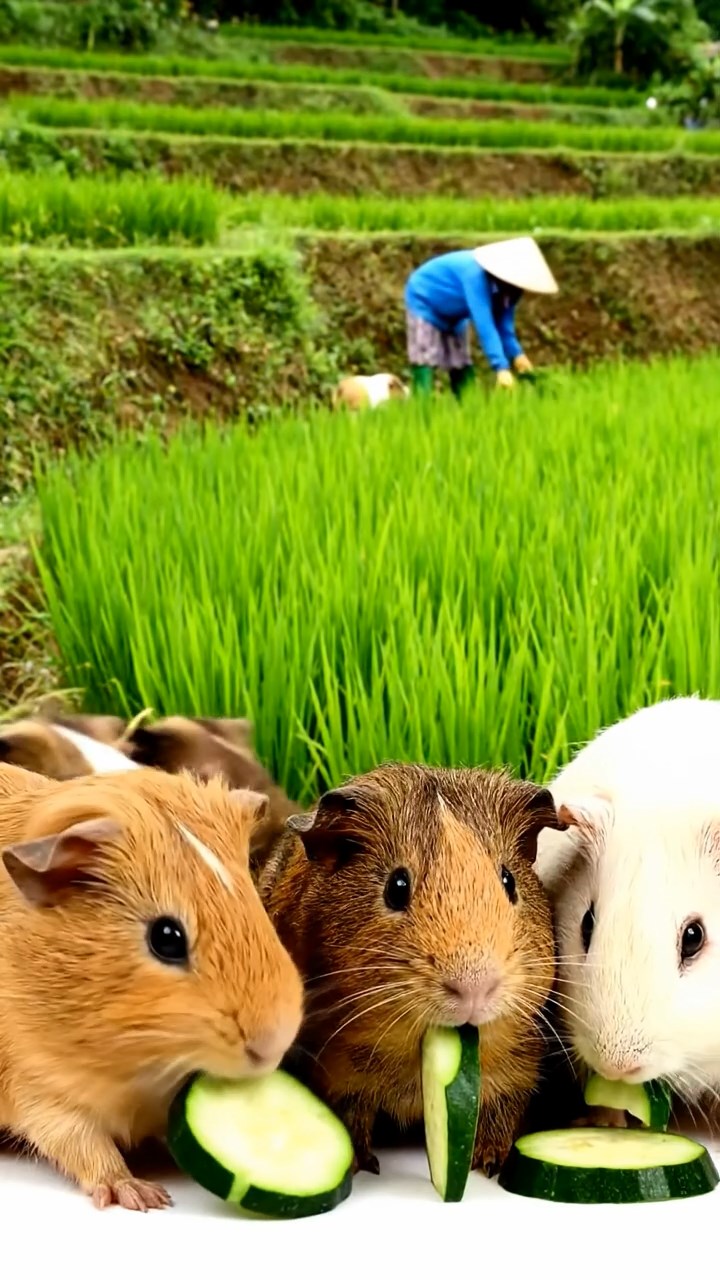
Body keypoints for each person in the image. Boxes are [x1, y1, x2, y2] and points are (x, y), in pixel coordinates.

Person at [404, 236, 558, 398]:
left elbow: (505, 327)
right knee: (424, 358)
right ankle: (422, 405)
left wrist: (518, 355)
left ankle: (467, 406)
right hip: (425, 300)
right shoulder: (475, 275)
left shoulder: (512, 290)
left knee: (460, 360)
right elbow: (485, 324)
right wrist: (501, 367)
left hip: (456, 312)